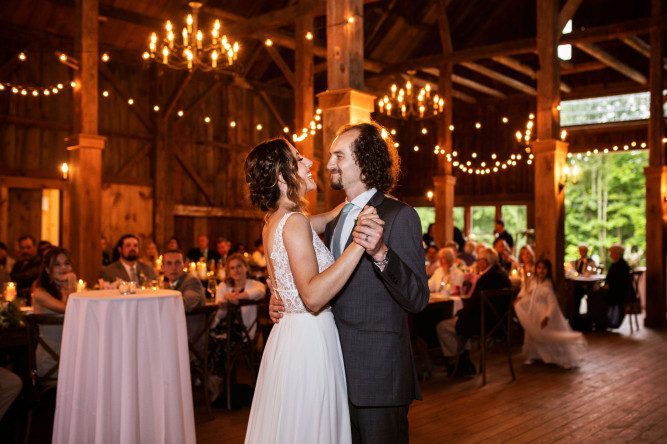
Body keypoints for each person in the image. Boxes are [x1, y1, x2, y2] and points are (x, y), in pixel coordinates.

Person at [270, 122, 428, 444]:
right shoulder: (338, 217)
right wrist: (284, 298)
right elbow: (315, 277)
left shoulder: (400, 216)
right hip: (331, 369)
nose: (329, 164)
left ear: (364, 161)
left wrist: (382, 253)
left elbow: (418, 298)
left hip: (378, 376)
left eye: (338, 156)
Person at [244, 136, 384, 444]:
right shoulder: (293, 221)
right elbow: (313, 296)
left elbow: (314, 224)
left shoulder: (274, 221)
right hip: (309, 338)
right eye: (299, 159)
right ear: (282, 176)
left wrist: (347, 207)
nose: (310, 163)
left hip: (288, 336)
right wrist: (361, 241)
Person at [436, 248, 511, 376]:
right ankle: (465, 362)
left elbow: (474, 306)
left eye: (479, 260)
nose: (477, 263)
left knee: (442, 326)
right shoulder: (503, 276)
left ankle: (457, 362)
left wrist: (460, 313)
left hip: (482, 324)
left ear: (485, 262)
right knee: (459, 323)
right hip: (499, 324)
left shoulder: (486, 278)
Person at [209, 253, 266, 400]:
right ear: (229, 271)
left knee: (221, 342)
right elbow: (219, 314)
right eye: (232, 268)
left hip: (243, 333)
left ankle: (218, 383)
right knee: (211, 339)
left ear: (246, 267)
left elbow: (260, 292)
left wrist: (237, 297)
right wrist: (223, 303)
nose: (236, 270)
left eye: (239, 266)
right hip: (223, 326)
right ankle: (218, 381)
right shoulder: (223, 286)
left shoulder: (255, 284)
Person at [514, 259, 586, 368]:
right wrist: (519, 298)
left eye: (544, 268)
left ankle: (557, 357)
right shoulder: (532, 281)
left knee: (547, 335)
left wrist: (547, 317)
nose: (541, 270)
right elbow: (524, 291)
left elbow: (552, 304)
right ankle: (532, 355)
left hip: (543, 312)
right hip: (532, 312)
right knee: (531, 334)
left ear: (548, 270)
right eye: (539, 268)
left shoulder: (548, 285)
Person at [32, 247, 76, 377]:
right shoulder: (39, 293)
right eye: (57, 264)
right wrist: (72, 283)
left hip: (69, 355)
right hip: (51, 359)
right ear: (47, 269)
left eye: (67, 263)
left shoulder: (64, 291)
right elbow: (70, 309)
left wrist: (66, 289)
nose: (63, 267)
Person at [162, 249, 206, 351]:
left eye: (177, 263)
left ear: (185, 265)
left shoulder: (191, 281)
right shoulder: (168, 286)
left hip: (190, 342)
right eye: (169, 263)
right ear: (162, 267)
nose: (173, 268)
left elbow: (185, 304)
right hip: (174, 335)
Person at [588, 244, 631, 330]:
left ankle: (599, 322)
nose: (610, 254)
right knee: (595, 295)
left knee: (595, 296)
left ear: (618, 254)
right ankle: (597, 321)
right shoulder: (615, 264)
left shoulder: (622, 266)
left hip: (617, 293)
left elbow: (619, 282)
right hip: (612, 290)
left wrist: (608, 286)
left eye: (612, 252)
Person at [10, 235, 41, 300]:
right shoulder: (18, 264)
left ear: (34, 248)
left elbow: (28, 276)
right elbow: (11, 278)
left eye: (28, 247)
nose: (25, 251)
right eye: (22, 248)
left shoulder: (40, 263)